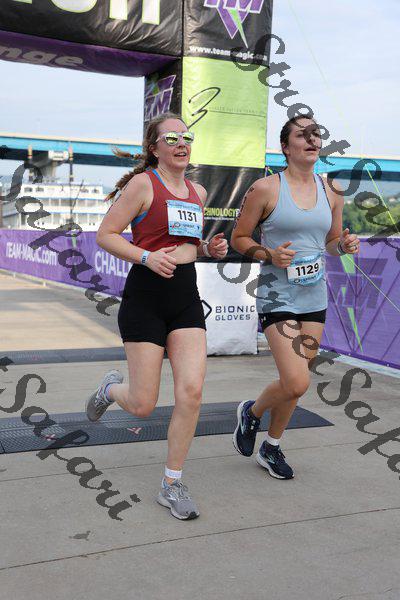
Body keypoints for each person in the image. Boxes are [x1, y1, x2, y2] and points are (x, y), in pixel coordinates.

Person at [85, 112, 228, 519]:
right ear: (154, 148)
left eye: (187, 137)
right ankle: (110, 391)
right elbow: (105, 235)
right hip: (145, 298)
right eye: (171, 139)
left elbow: (186, 244)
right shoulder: (143, 185)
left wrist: (208, 249)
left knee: (191, 393)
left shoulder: (198, 191)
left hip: (185, 298)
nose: (181, 144)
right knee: (143, 405)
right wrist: (146, 257)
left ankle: (172, 482)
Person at [231, 115, 359, 479]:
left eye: (316, 134)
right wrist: (268, 254)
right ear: (286, 147)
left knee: (295, 382)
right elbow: (240, 238)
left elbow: (331, 243)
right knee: (297, 381)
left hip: (314, 297)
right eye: (302, 135)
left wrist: (344, 246)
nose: (312, 139)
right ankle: (252, 412)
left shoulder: (332, 190)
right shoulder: (265, 189)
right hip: (276, 296)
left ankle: (270, 446)